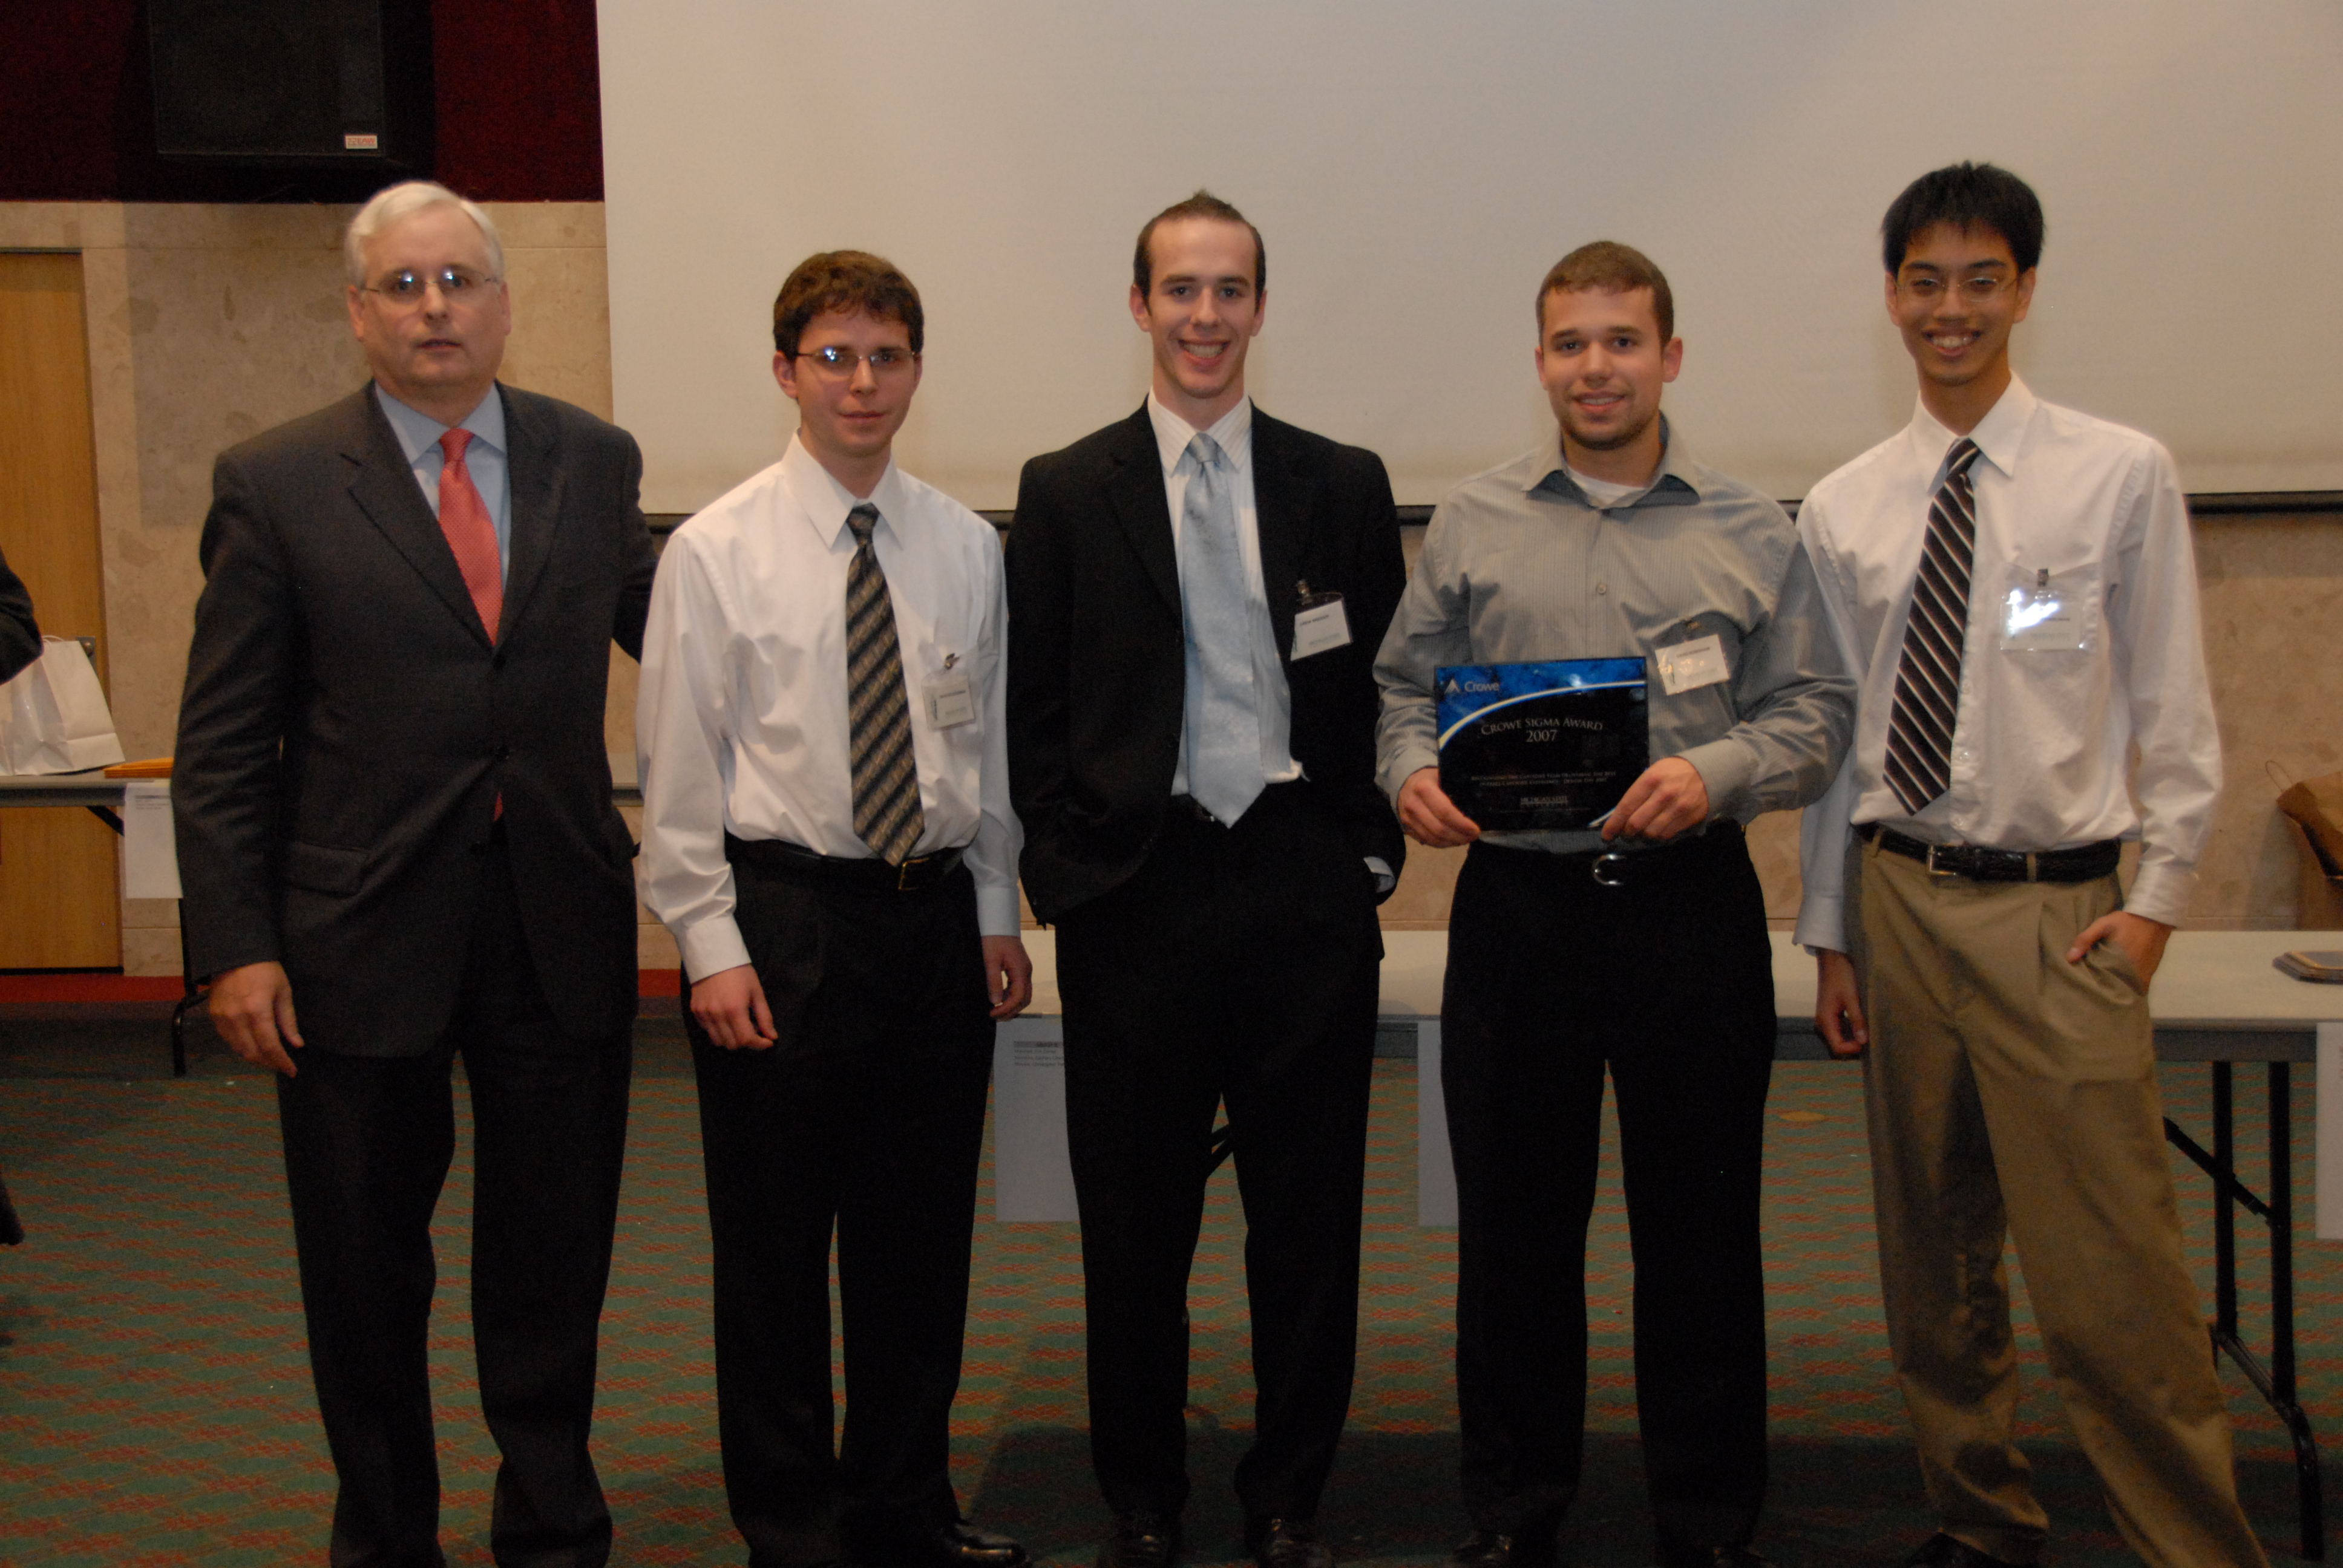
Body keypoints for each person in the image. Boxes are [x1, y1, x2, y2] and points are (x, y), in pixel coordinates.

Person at [173, 180, 657, 1567]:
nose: (434, 307)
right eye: (403, 284)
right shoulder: (273, 482)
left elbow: (689, 641)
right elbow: (223, 742)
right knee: (365, 1272)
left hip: (555, 920)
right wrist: (236, 943)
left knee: (551, 1261)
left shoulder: (592, 459)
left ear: (503, 305)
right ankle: (387, 1538)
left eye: (458, 281)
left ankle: (552, 1527)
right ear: (357, 312)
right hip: (353, 940)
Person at [1797, 162, 2267, 1568]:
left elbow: (2175, 707)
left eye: (1980, 279)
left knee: (2112, 1276)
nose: (1950, 308)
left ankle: (2191, 1546)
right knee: (1932, 1258)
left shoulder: (2116, 472)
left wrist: (2156, 904)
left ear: (2024, 290)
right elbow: (1840, 738)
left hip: (2059, 914)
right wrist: (1831, 930)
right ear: (1890, 297)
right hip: (1898, 900)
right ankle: (1980, 1518)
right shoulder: (1844, 505)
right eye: (1924, 281)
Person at [1375, 242, 1853, 1568]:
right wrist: (1408, 771)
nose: (1598, 368)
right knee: (1513, 1234)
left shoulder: (1752, 528)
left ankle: (1706, 1521)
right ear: (1540, 362)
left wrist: (1720, 771)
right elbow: (1403, 688)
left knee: (1700, 1230)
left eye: (1623, 341)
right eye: (1572, 343)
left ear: (1670, 357)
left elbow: (1815, 712)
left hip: (1685, 911)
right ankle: (1514, 1512)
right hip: (1518, 916)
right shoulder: (1473, 521)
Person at [1004, 191, 1405, 1568]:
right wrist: (1069, 874)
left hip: (1301, 884)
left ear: (1260, 308)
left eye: (1230, 290)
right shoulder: (1067, 489)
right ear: (1139, 305)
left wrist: (1364, 852)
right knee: (1134, 1228)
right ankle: (1142, 1499)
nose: (1205, 315)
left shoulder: (1340, 482)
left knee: (1308, 1222)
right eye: (1180, 288)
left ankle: (1288, 1496)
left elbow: (1378, 684)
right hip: (1140, 891)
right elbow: (1034, 708)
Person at [635, 250, 1032, 1568]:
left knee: (918, 1246)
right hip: (782, 927)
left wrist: (995, 910)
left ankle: (903, 1509)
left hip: (931, 922)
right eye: (834, 357)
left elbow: (984, 751)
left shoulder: (965, 543)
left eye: (887, 357)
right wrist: (708, 946)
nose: (863, 383)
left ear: (916, 369)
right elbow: (678, 770)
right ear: (785, 371)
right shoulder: (715, 550)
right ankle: (793, 1530)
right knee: (774, 1254)